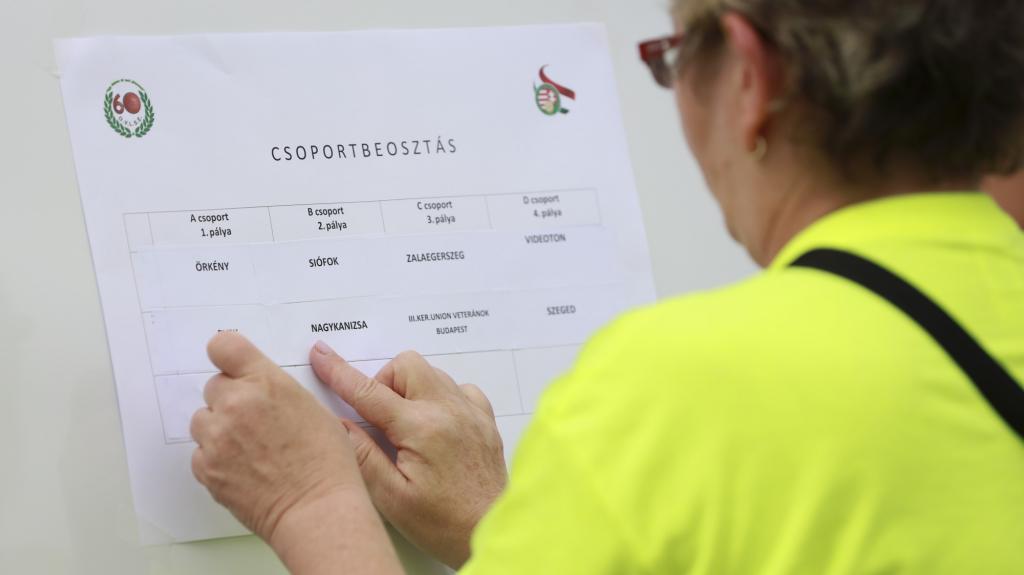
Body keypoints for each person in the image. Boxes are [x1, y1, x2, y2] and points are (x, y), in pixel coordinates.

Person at [188, 1, 1024, 573]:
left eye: (674, 59)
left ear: (750, 77)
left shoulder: (683, 381)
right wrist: (504, 529)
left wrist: (314, 503)